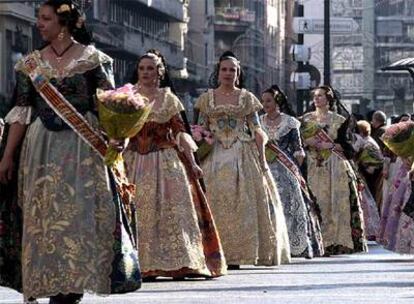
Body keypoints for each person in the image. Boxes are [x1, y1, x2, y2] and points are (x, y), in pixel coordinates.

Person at [0, 1, 140, 303]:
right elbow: (22, 112)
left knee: (79, 217)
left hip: (83, 150)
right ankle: (48, 281)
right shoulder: (31, 64)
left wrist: (120, 137)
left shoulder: (93, 60)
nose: (39, 23)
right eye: (39, 18)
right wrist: (8, 155)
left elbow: (111, 106)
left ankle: (72, 288)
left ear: (64, 24)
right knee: (43, 218)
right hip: (41, 152)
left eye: (45, 18)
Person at [123, 49, 227, 280]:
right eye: (142, 68)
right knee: (137, 209)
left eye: (151, 68)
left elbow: (181, 131)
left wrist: (192, 161)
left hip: (166, 159)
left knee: (174, 210)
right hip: (134, 159)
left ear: (159, 72)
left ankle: (178, 262)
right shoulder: (127, 96)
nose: (146, 72)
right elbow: (121, 131)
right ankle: (139, 263)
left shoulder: (169, 98)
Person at [193, 51, 291, 268]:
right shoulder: (205, 99)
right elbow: (199, 128)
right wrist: (199, 145)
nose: (228, 73)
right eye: (224, 69)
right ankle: (215, 252)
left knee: (244, 202)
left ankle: (241, 252)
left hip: (242, 152)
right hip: (213, 154)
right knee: (214, 199)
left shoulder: (247, 98)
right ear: (218, 73)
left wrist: (262, 157)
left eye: (232, 70)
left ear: (238, 74)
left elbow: (256, 128)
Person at [301, 86, 367, 256]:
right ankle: (316, 241)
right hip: (313, 165)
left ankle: (336, 242)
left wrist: (328, 145)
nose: (317, 98)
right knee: (316, 202)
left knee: (335, 203)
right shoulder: (305, 119)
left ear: (329, 99)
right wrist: (309, 142)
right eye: (315, 96)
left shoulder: (340, 119)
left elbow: (349, 147)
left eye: (320, 96)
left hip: (335, 166)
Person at [260, 85, 324, 258]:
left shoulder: (290, 122)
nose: (265, 104)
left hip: (286, 167)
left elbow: (298, 148)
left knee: (291, 206)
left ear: (277, 102)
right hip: (264, 168)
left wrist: (295, 168)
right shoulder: (258, 122)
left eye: (269, 100)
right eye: (263, 100)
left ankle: (295, 244)